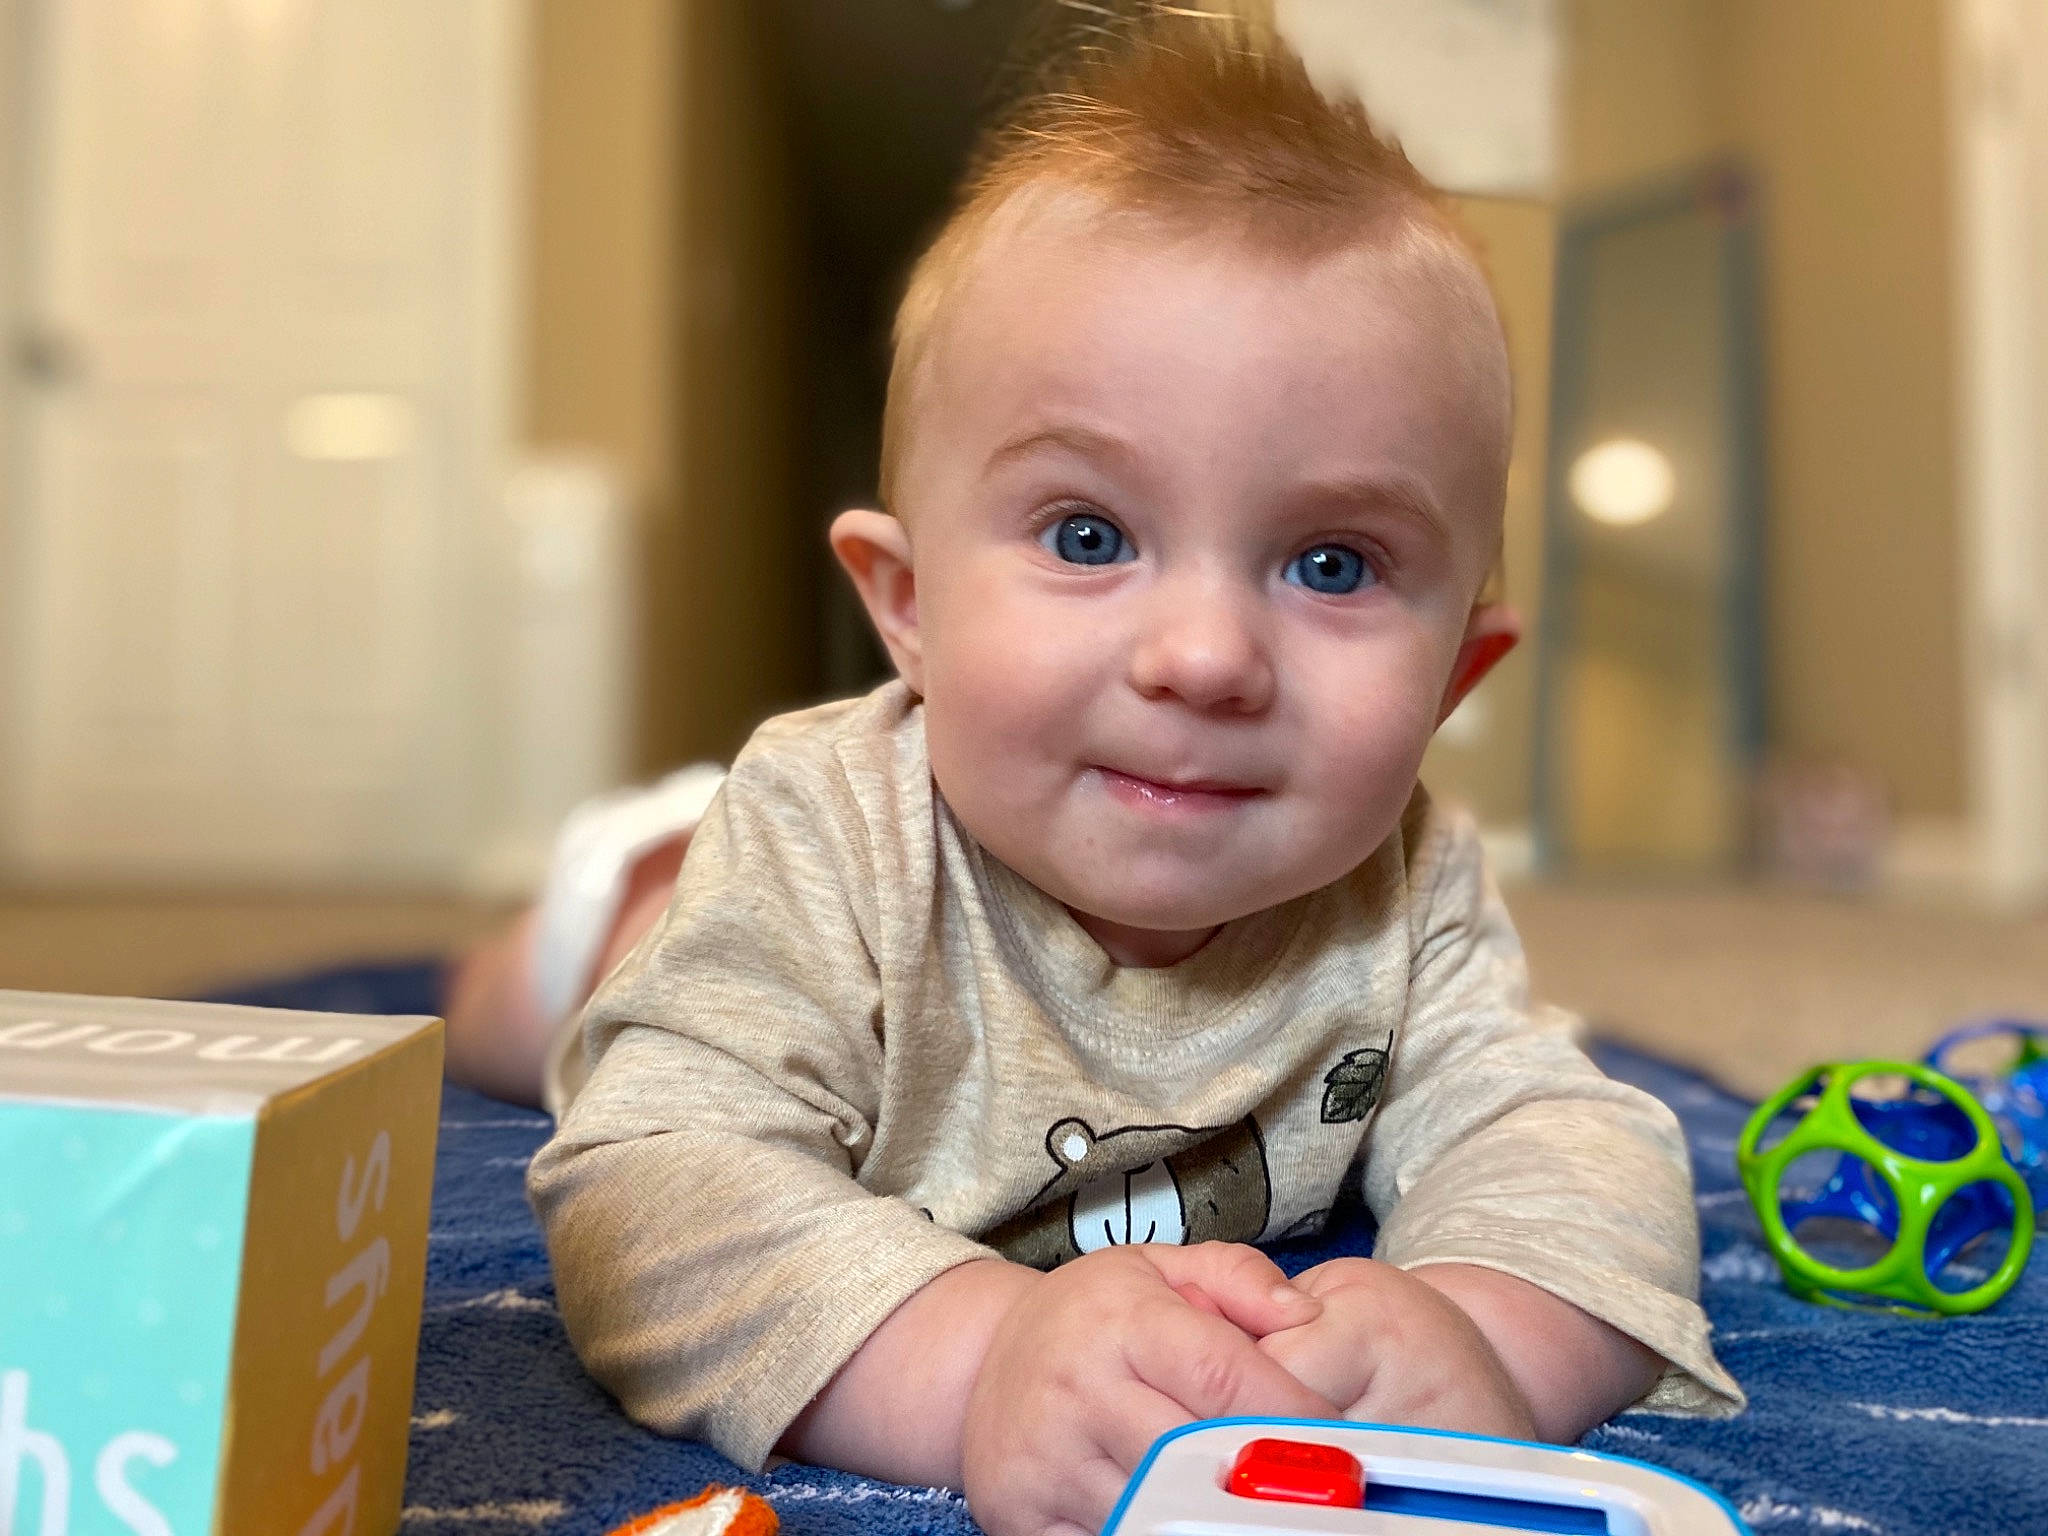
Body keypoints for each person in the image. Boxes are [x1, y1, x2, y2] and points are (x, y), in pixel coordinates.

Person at [527, 9, 1745, 1535]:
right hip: (715, 897)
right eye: (1089, 536)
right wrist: (973, 1363)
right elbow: (652, 1190)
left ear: (1454, 682)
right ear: (907, 607)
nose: (1207, 655)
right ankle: (564, 926)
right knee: (574, 982)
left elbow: (1565, 1135)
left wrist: (1488, 1337)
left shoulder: (1404, 880)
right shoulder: (825, 829)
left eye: (1330, 560)